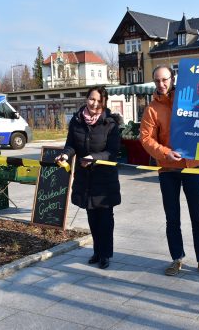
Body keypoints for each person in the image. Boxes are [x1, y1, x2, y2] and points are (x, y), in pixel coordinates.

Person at [140, 64, 199, 277]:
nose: (161, 84)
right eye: (157, 80)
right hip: (168, 169)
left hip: (193, 166)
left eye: (165, 79)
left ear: (172, 78)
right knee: (172, 217)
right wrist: (164, 152)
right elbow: (146, 138)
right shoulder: (152, 109)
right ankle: (177, 258)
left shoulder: (189, 98)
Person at [55, 86, 121, 270]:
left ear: (104, 102)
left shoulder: (111, 123)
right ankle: (97, 251)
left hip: (104, 178)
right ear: (86, 99)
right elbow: (71, 145)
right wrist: (65, 155)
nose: (95, 103)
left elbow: (113, 152)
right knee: (92, 215)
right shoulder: (76, 121)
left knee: (105, 218)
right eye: (92, 99)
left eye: (99, 101)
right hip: (85, 177)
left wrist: (94, 158)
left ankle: (105, 254)